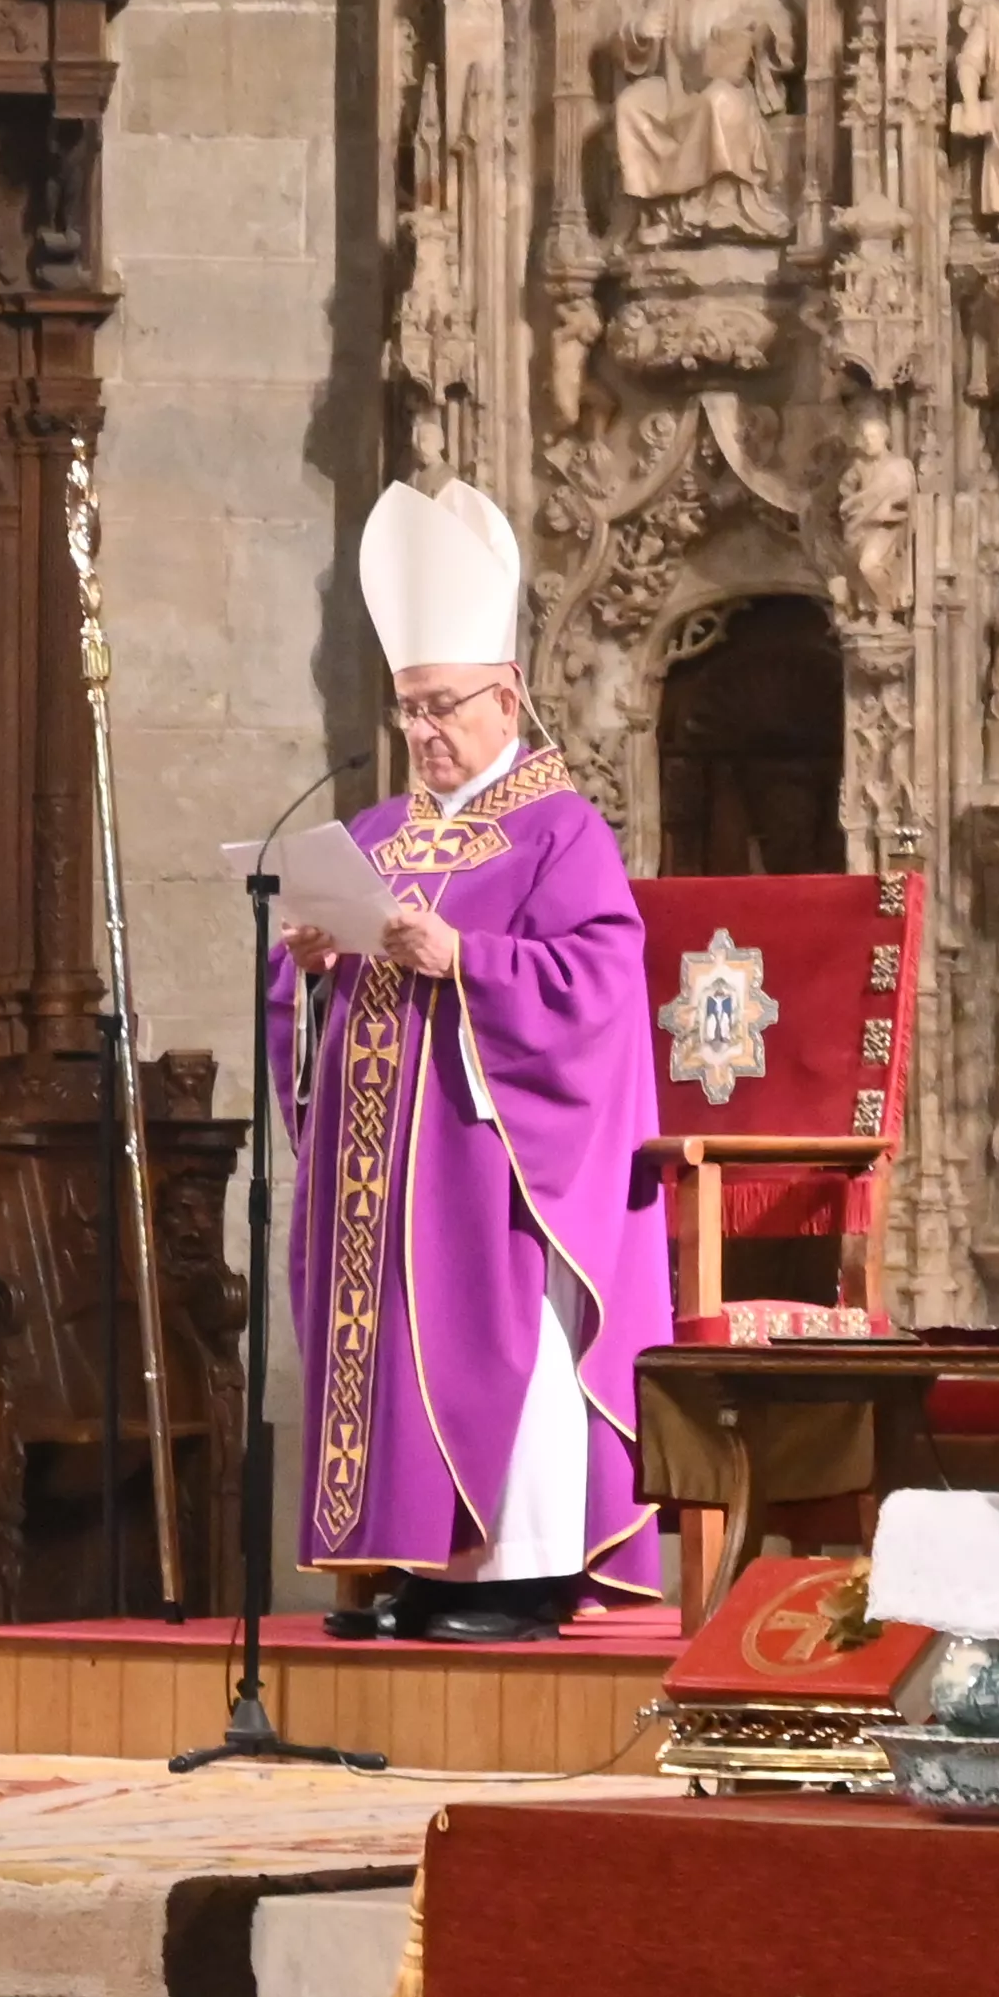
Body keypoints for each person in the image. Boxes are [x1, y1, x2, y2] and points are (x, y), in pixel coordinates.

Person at [282, 479, 672, 1641]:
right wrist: (307, 968)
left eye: (445, 705)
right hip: (379, 1169)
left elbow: (601, 986)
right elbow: (335, 990)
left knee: (499, 1339)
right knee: (389, 1347)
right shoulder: (373, 834)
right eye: (408, 709)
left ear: (507, 695)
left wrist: (468, 959)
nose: (423, 733)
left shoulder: (563, 831)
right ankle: (411, 1562)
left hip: (493, 1168)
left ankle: (520, 1571)